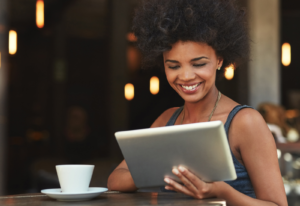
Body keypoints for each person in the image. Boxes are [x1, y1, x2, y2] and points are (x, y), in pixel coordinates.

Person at [107, 0, 288, 205]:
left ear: (219, 59)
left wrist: (221, 191)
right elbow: (115, 180)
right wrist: (162, 167)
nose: (185, 76)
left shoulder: (245, 122)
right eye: (174, 66)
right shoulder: (167, 120)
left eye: (199, 63)